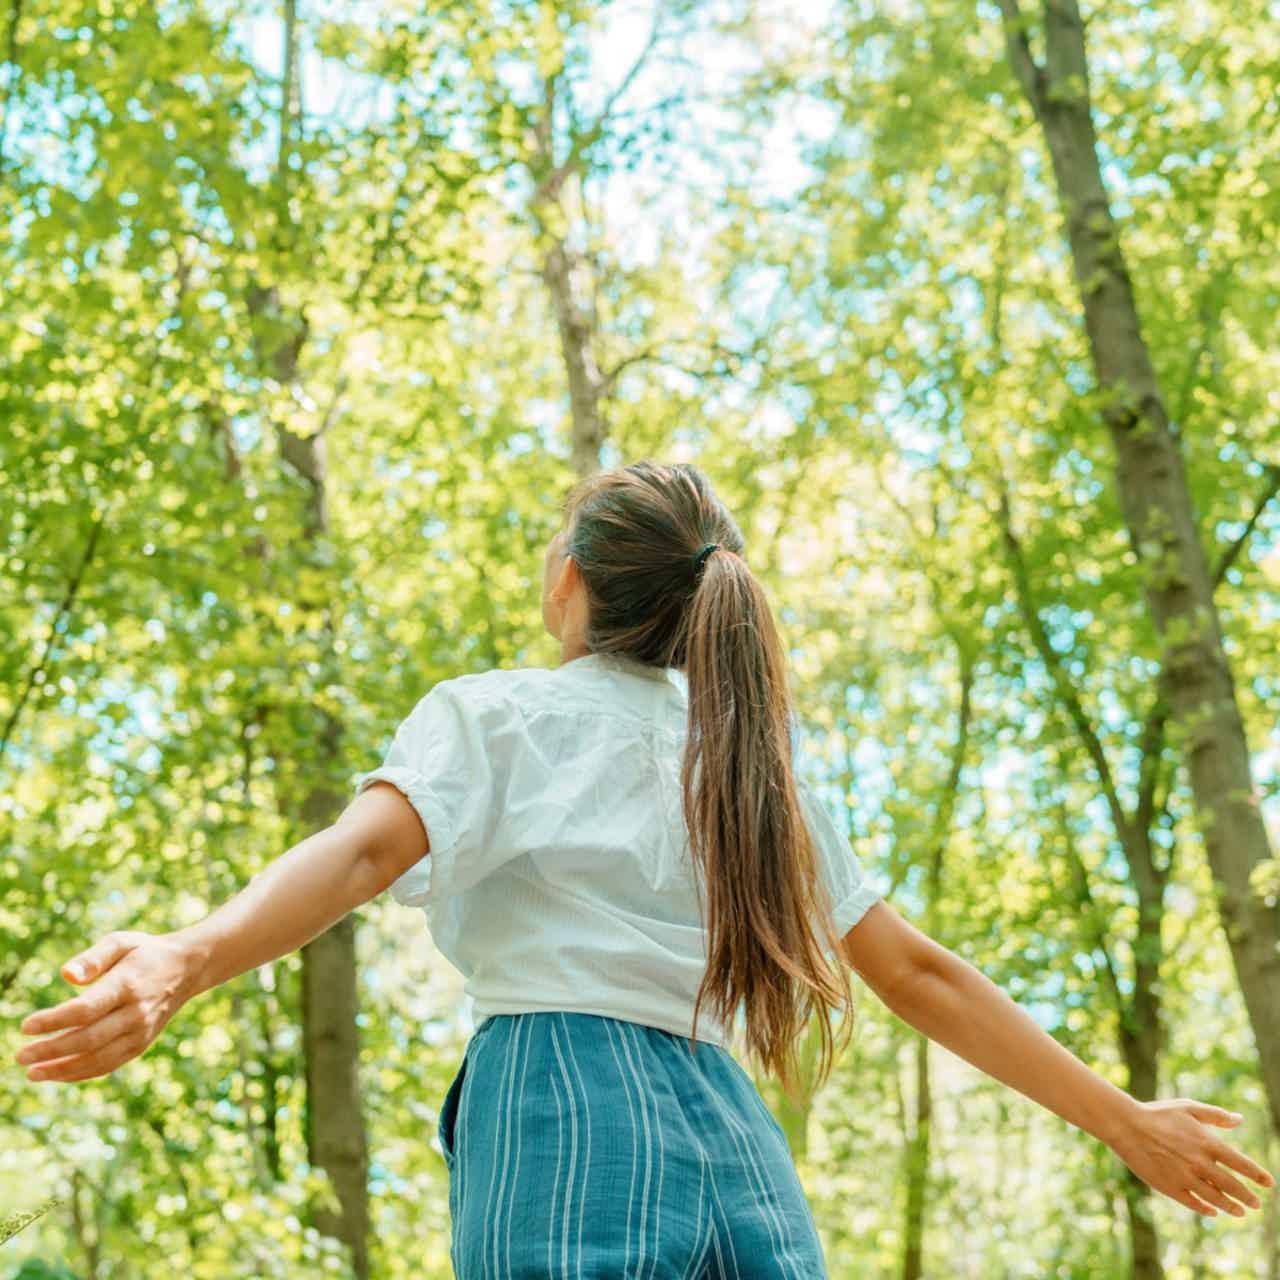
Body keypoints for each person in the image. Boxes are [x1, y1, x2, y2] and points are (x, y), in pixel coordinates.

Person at [14, 459, 1274, 1277]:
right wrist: (1123, 1117)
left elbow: (356, 857)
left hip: (559, 1094)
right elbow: (918, 971)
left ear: (569, 581)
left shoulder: (501, 712)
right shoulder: (754, 769)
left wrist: (187, 952)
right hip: (730, 1127)